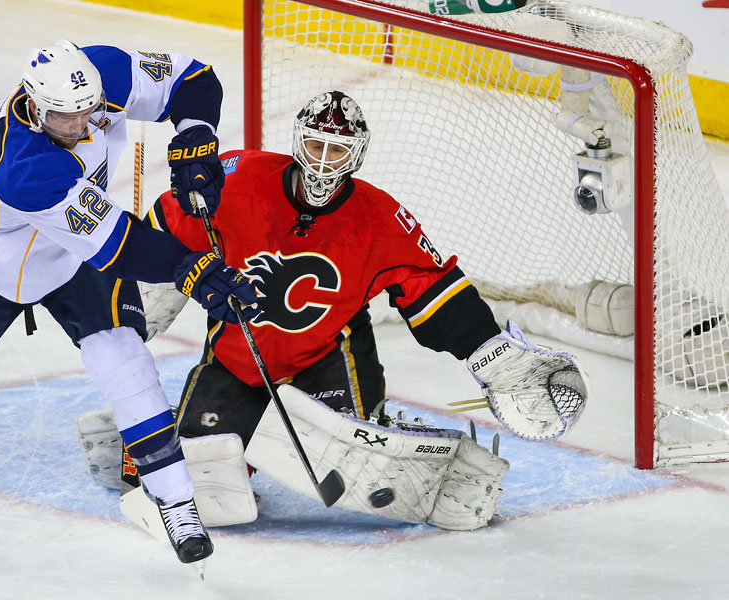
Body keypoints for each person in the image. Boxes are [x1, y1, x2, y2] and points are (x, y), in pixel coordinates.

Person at [79, 91, 589, 529]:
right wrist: (125, 308)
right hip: (237, 363)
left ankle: (399, 439)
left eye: (338, 149)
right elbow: (163, 235)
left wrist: (492, 354)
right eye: (316, 145)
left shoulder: (380, 217)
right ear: (297, 142)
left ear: (357, 154)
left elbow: (432, 289)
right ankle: (160, 427)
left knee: (353, 456)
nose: (324, 162)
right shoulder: (237, 179)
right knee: (203, 487)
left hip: (329, 359)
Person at [0, 40, 258, 567]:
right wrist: (192, 269)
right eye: (64, 116)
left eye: (88, 110)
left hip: (72, 256)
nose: (81, 124)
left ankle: (176, 501)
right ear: (34, 105)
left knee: (124, 361)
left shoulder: (100, 72)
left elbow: (193, 79)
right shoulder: (22, 167)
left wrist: (195, 134)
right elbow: (120, 245)